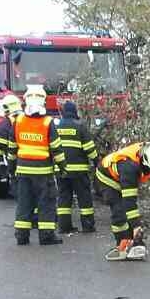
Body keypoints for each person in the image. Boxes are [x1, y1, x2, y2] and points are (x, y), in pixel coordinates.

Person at [6, 86, 67, 246]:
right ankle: (46, 236)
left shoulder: (18, 121)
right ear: (44, 102)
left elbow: (12, 149)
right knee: (45, 203)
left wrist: (11, 168)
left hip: (23, 172)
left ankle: (21, 236)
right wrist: (62, 167)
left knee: (24, 204)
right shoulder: (48, 123)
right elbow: (57, 148)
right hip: (43, 173)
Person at [95, 141, 150, 260]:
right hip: (106, 179)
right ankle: (122, 244)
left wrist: (135, 227)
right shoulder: (129, 168)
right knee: (119, 211)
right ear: (144, 161)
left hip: (120, 176)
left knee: (127, 211)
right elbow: (129, 202)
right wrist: (136, 226)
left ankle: (132, 241)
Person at [55, 100, 98, 234]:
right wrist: (97, 161)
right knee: (84, 198)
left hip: (61, 170)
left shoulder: (56, 127)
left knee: (64, 198)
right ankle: (88, 226)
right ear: (75, 112)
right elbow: (89, 148)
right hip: (79, 170)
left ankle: (64, 226)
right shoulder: (80, 126)